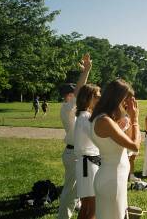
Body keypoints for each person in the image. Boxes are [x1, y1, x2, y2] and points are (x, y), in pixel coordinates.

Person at [90, 79, 141, 219]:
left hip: (114, 178)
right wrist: (135, 120)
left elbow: (127, 141)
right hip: (112, 181)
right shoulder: (104, 121)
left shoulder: (107, 119)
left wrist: (128, 118)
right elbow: (135, 146)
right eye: (126, 100)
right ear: (117, 98)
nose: (126, 104)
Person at [58, 54, 92, 219]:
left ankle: (77, 204)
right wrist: (86, 72)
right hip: (73, 154)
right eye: (73, 92)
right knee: (69, 192)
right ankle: (63, 216)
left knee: (76, 188)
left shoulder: (74, 110)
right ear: (68, 95)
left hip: (77, 153)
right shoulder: (67, 108)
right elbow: (80, 92)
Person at [74, 84, 101, 219]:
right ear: (88, 98)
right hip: (88, 165)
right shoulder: (85, 117)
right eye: (97, 96)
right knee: (92, 206)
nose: (100, 99)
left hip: (89, 163)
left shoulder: (86, 116)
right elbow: (99, 138)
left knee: (87, 206)